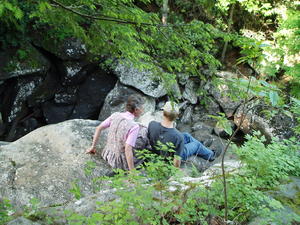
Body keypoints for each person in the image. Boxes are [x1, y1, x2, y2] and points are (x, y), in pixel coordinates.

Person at [147, 101, 215, 167]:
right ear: (176, 116)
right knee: (197, 145)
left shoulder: (152, 124)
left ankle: (204, 149)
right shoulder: (177, 136)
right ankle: (211, 155)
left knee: (186, 135)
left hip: (157, 150)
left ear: (163, 112)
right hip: (170, 157)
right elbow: (176, 161)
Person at [86, 95, 144, 171]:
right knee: (143, 138)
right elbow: (128, 149)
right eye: (142, 108)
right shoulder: (134, 126)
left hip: (107, 154)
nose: (143, 110)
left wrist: (93, 147)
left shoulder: (115, 115)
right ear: (136, 110)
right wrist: (132, 172)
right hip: (119, 162)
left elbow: (98, 128)